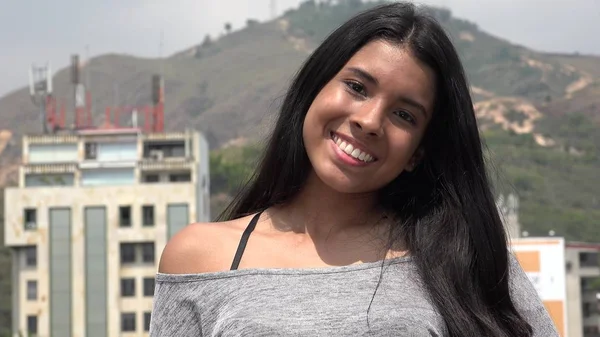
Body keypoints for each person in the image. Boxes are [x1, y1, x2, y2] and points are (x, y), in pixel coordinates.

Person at [150, 2, 558, 336]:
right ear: (315, 90)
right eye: (357, 87)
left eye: (404, 114)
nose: (369, 120)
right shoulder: (200, 258)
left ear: (419, 151)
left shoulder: (464, 257)